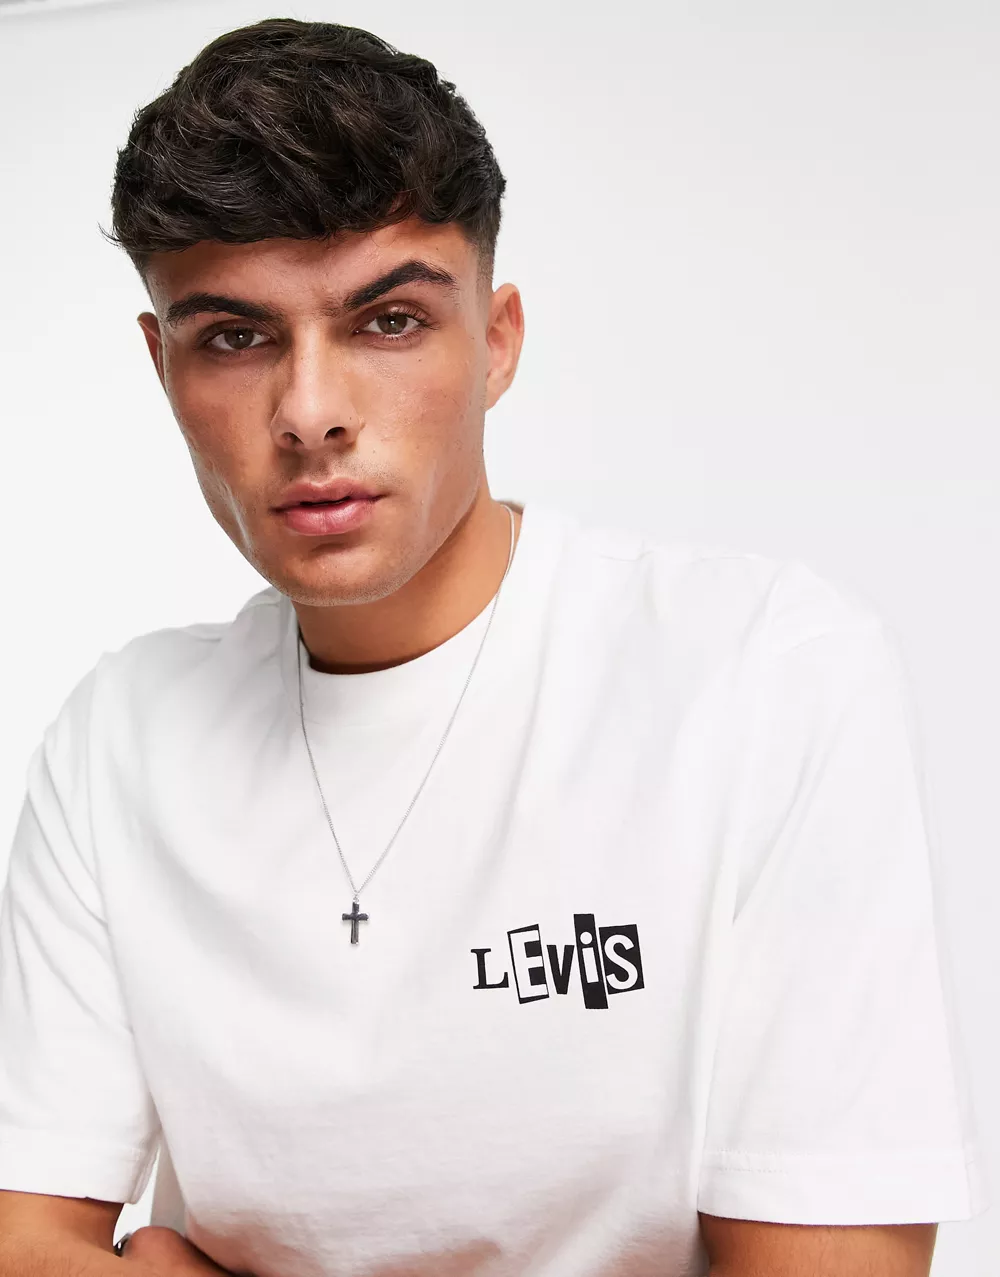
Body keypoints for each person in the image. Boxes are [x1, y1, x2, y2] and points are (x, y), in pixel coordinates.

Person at [0, 16, 986, 1277]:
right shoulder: (120, 740)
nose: (311, 414)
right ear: (163, 364)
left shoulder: (761, 673)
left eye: (387, 321)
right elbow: (23, 1238)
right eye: (236, 337)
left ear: (497, 340)